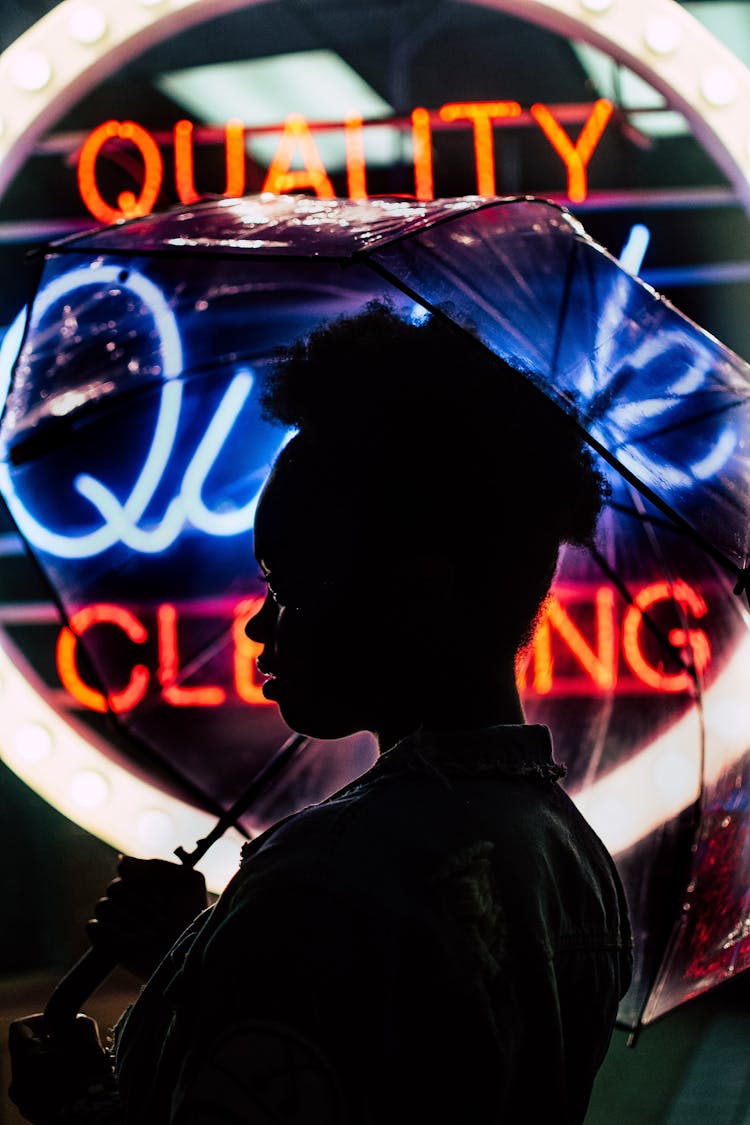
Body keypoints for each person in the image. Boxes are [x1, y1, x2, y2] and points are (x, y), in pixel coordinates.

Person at [9, 299, 632, 1124]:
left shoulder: (327, 875)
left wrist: (78, 1103)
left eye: (289, 584)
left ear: (416, 593)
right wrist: (200, 954)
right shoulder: (566, 851)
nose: (260, 625)